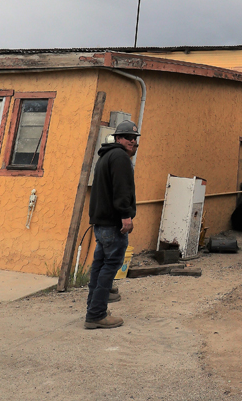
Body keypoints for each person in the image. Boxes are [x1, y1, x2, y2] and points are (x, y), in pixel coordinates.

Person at [84, 119, 139, 329]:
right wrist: (126, 216)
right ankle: (97, 314)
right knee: (110, 266)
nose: (132, 142)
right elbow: (122, 189)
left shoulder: (105, 156)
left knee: (99, 266)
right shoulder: (120, 158)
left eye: (134, 139)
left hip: (101, 224)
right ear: (117, 138)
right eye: (127, 138)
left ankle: (94, 309)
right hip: (113, 224)